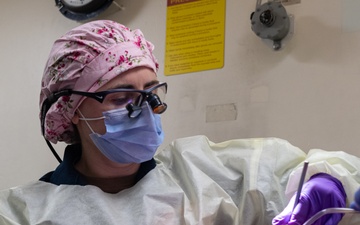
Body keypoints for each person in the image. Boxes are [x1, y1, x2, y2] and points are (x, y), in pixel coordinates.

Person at [0, 19, 359, 225]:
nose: (144, 110)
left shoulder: (202, 172)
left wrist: (326, 182)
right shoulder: (22, 213)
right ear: (72, 109)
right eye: (123, 97)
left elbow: (324, 171)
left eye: (151, 93)